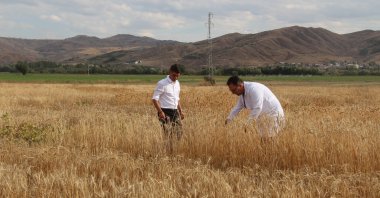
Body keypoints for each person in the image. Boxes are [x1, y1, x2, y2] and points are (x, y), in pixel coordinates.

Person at [152, 64, 184, 152]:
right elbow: (154, 99)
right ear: (170, 72)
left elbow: (177, 99)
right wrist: (160, 112)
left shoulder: (177, 83)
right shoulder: (162, 83)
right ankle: (168, 152)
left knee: (179, 132)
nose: (176, 78)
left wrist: (181, 111)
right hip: (164, 111)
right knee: (168, 133)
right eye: (174, 75)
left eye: (178, 76)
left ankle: (174, 150)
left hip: (175, 111)